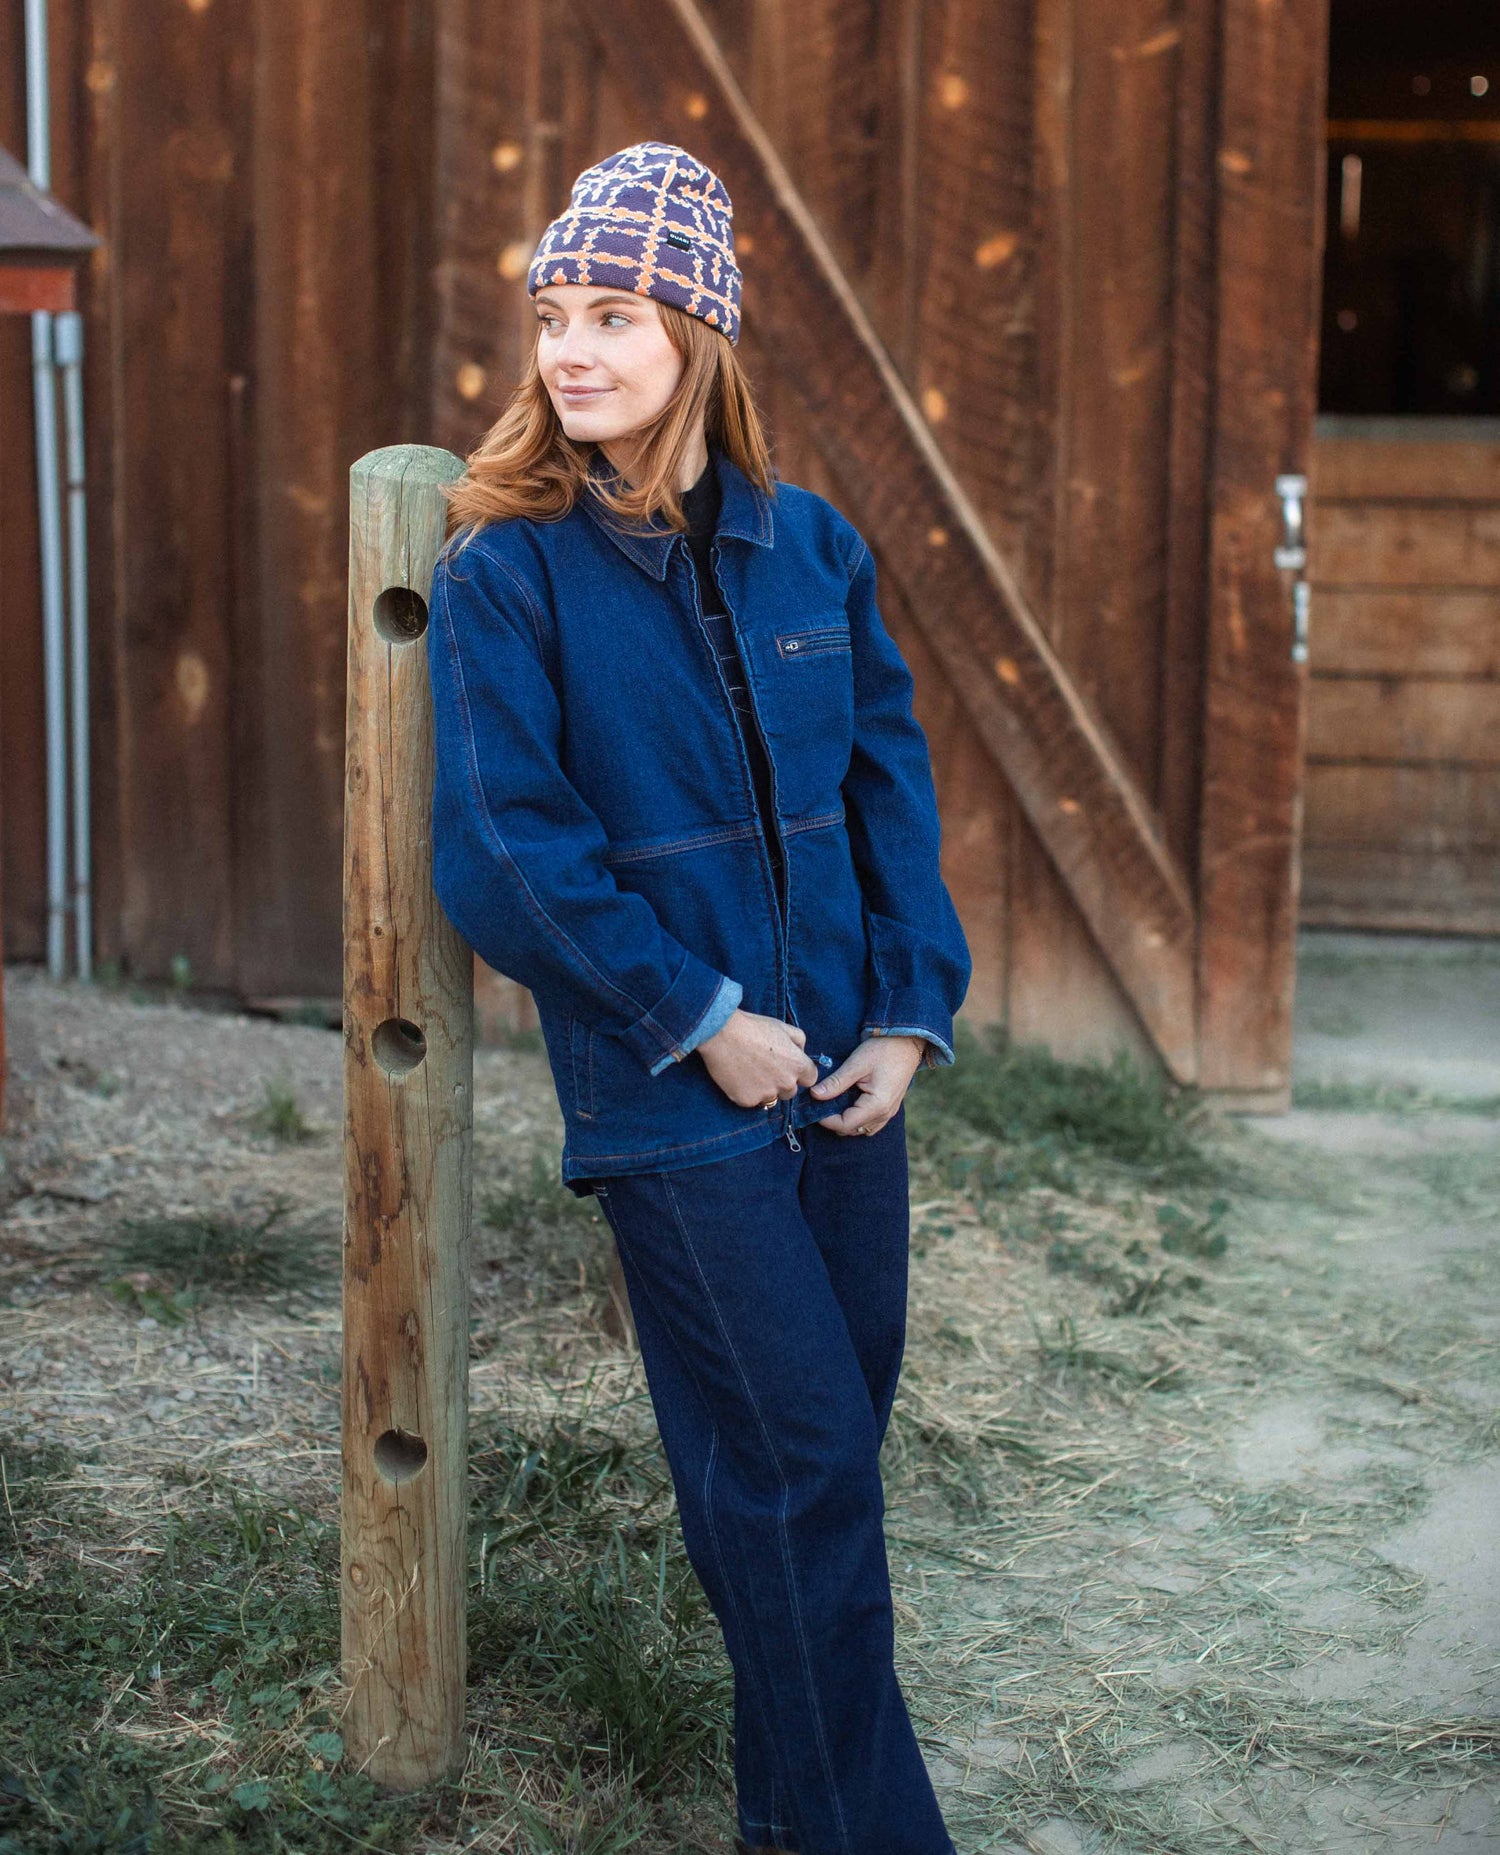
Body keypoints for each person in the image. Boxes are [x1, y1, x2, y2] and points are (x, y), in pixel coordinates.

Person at [427, 140, 972, 1855]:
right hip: (674, 1101)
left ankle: (785, 1821)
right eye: (553, 315)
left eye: (614, 313)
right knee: (801, 1467)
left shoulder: (813, 549)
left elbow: (891, 794)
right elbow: (507, 855)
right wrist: (696, 1015)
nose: (572, 349)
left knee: (806, 1474)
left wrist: (903, 1014)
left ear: (701, 333)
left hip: (840, 1085)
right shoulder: (504, 574)